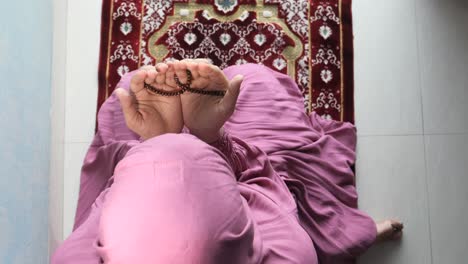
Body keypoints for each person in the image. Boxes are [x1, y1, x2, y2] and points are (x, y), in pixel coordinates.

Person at [51, 60, 403, 263]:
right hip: (243, 174)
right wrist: (210, 136)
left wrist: (157, 139)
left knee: (127, 89)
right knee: (254, 78)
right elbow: (267, 194)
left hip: (151, 160)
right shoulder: (290, 257)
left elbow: (109, 197)